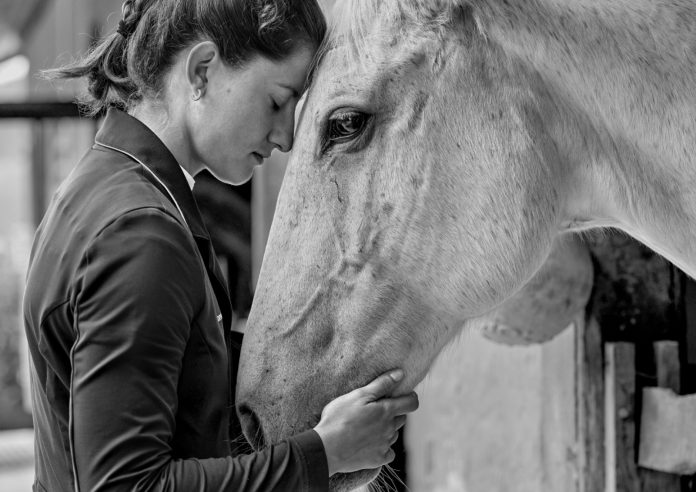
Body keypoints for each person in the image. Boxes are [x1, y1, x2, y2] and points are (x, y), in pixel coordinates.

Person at [22, 0, 419, 491]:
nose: (286, 136)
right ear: (203, 71)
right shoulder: (141, 233)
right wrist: (324, 454)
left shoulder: (102, 188)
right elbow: (126, 485)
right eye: (278, 101)